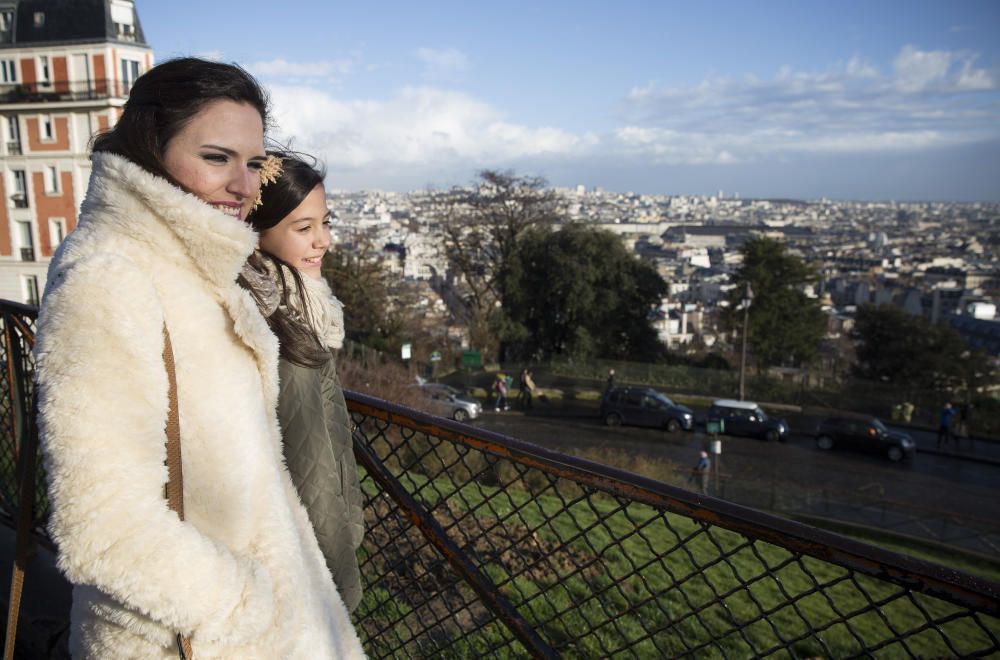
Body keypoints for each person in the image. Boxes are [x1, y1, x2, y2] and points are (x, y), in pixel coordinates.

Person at [33, 58, 363, 658]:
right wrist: (252, 613)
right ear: (151, 147)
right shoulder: (109, 277)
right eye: (217, 158)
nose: (245, 186)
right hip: (194, 636)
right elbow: (102, 525)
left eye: (255, 163)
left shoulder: (197, 265)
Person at [242, 152, 365, 613]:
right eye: (304, 228)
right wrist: (342, 583)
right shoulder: (280, 324)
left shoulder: (294, 303)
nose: (324, 241)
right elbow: (308, 461)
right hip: (301, 557)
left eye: (325, 222)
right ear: (258, 229)